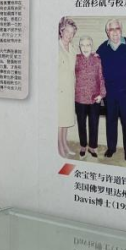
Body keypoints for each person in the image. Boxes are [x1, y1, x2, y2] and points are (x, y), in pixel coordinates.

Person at [97, 19, 126, 162]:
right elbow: (97, 70)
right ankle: (111, 148)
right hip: (110, 93)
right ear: (107, 32)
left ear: (121, 29)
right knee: (111, 121)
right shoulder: (102, 48)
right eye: (111, 29)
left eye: (117, 28)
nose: (114, 32)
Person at [74, 35, 106, 158]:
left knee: (93, 124)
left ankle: (92, 147)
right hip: (79, 98)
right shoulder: (76, 59)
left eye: (88, 45)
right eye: (83, 45)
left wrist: (102, 94)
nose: (85, 48)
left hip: (94, 98)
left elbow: (101, 77)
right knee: (81, 124)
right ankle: (83, 145)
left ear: (92, 46)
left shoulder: (97, 60)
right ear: (79, 46)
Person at [57, 18, 79, 157]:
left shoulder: (72, 48)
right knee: (60, 121)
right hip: (58, 90)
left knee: (66, 120)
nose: (69, 35)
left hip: (70, 89)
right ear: (61, 31)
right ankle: (59, 147)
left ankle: (65, 144)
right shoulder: (55, 48)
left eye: (72, 33)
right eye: (67, 31)